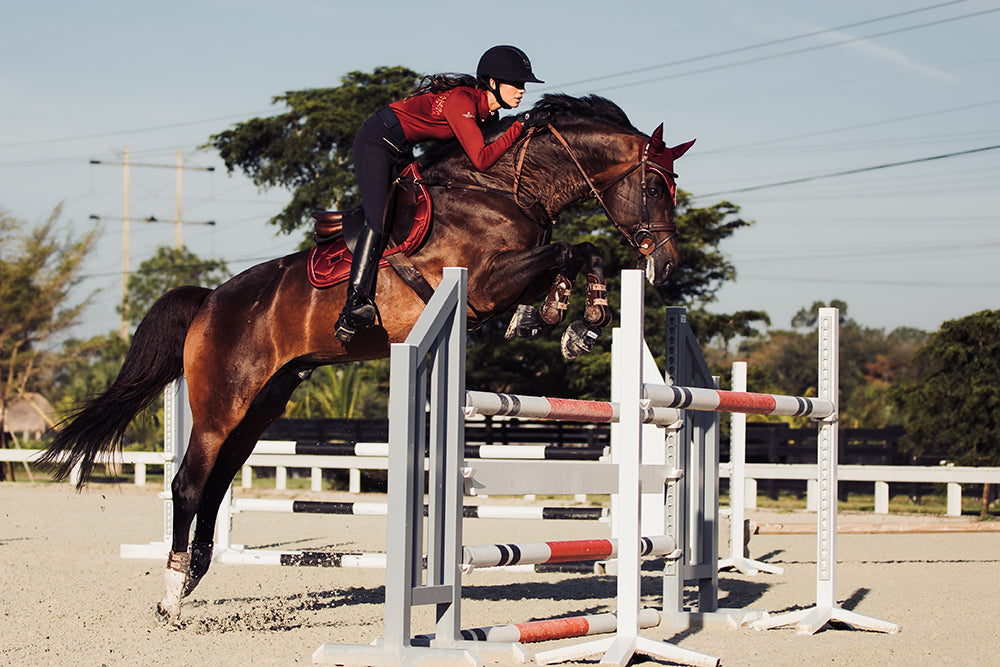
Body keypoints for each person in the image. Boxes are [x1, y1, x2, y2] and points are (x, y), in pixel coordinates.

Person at [334, 45, 546, 343]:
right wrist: (520, 125)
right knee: (379, 218)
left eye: (523, 84)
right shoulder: (462, 102)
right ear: (493, 83)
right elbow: (481, 159)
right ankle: (355, 302)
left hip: (403, 149)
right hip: (377, 141)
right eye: (516, 83)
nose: (522, 90)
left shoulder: (487, 114)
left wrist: (525, 127)